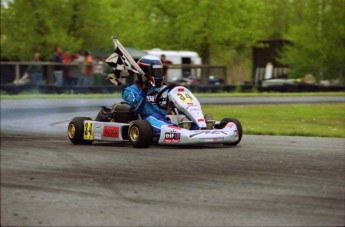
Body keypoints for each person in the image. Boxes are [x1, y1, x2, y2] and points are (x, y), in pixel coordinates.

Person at [122, 55, 172, 134]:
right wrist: (144, 89)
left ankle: (196, 128)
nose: (157, 75)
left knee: (182, 118)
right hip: (145, 122)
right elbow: (136, 109)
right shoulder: (130, 91)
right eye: (154, 72)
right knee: (153, 118)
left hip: (166, 119)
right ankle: (174, 130)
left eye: (158, 71)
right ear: (142, 73)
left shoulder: (164, 89)